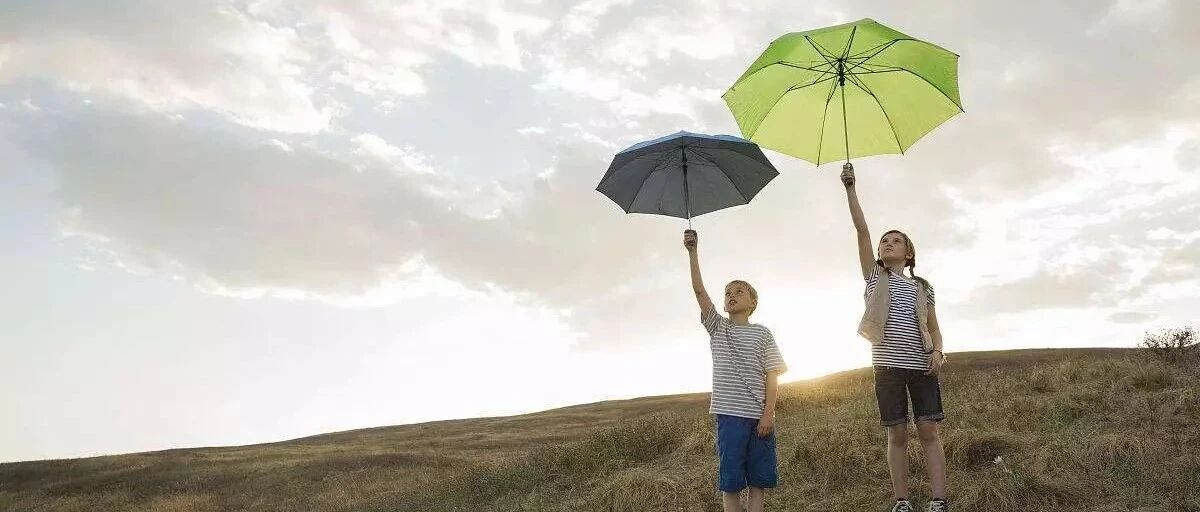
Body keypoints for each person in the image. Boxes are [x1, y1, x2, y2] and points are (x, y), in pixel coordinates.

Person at [840, 163, 949, 512]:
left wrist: (939, 351)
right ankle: (902, 501)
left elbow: (933, 327)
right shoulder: (874, 276)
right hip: (886, 366)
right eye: (885, 241)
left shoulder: (923, 286)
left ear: (909, 252)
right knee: (897, 433)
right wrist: (850, 188)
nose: (888, 243)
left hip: (921, 364)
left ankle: (938, 500)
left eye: (896, 240)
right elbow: (861, 231)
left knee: (929, 431)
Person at [684, 229, 787, 512]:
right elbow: (699, 291)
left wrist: (769, 413)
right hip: (729, 417)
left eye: (739, 291)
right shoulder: (718, 328)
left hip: (759, 417)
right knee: (731, 482)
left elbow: (772, 375)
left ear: (752, 302)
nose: (731, 295)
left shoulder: (763, 334)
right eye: (728, 292)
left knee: (758, 482)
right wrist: (693, 252)